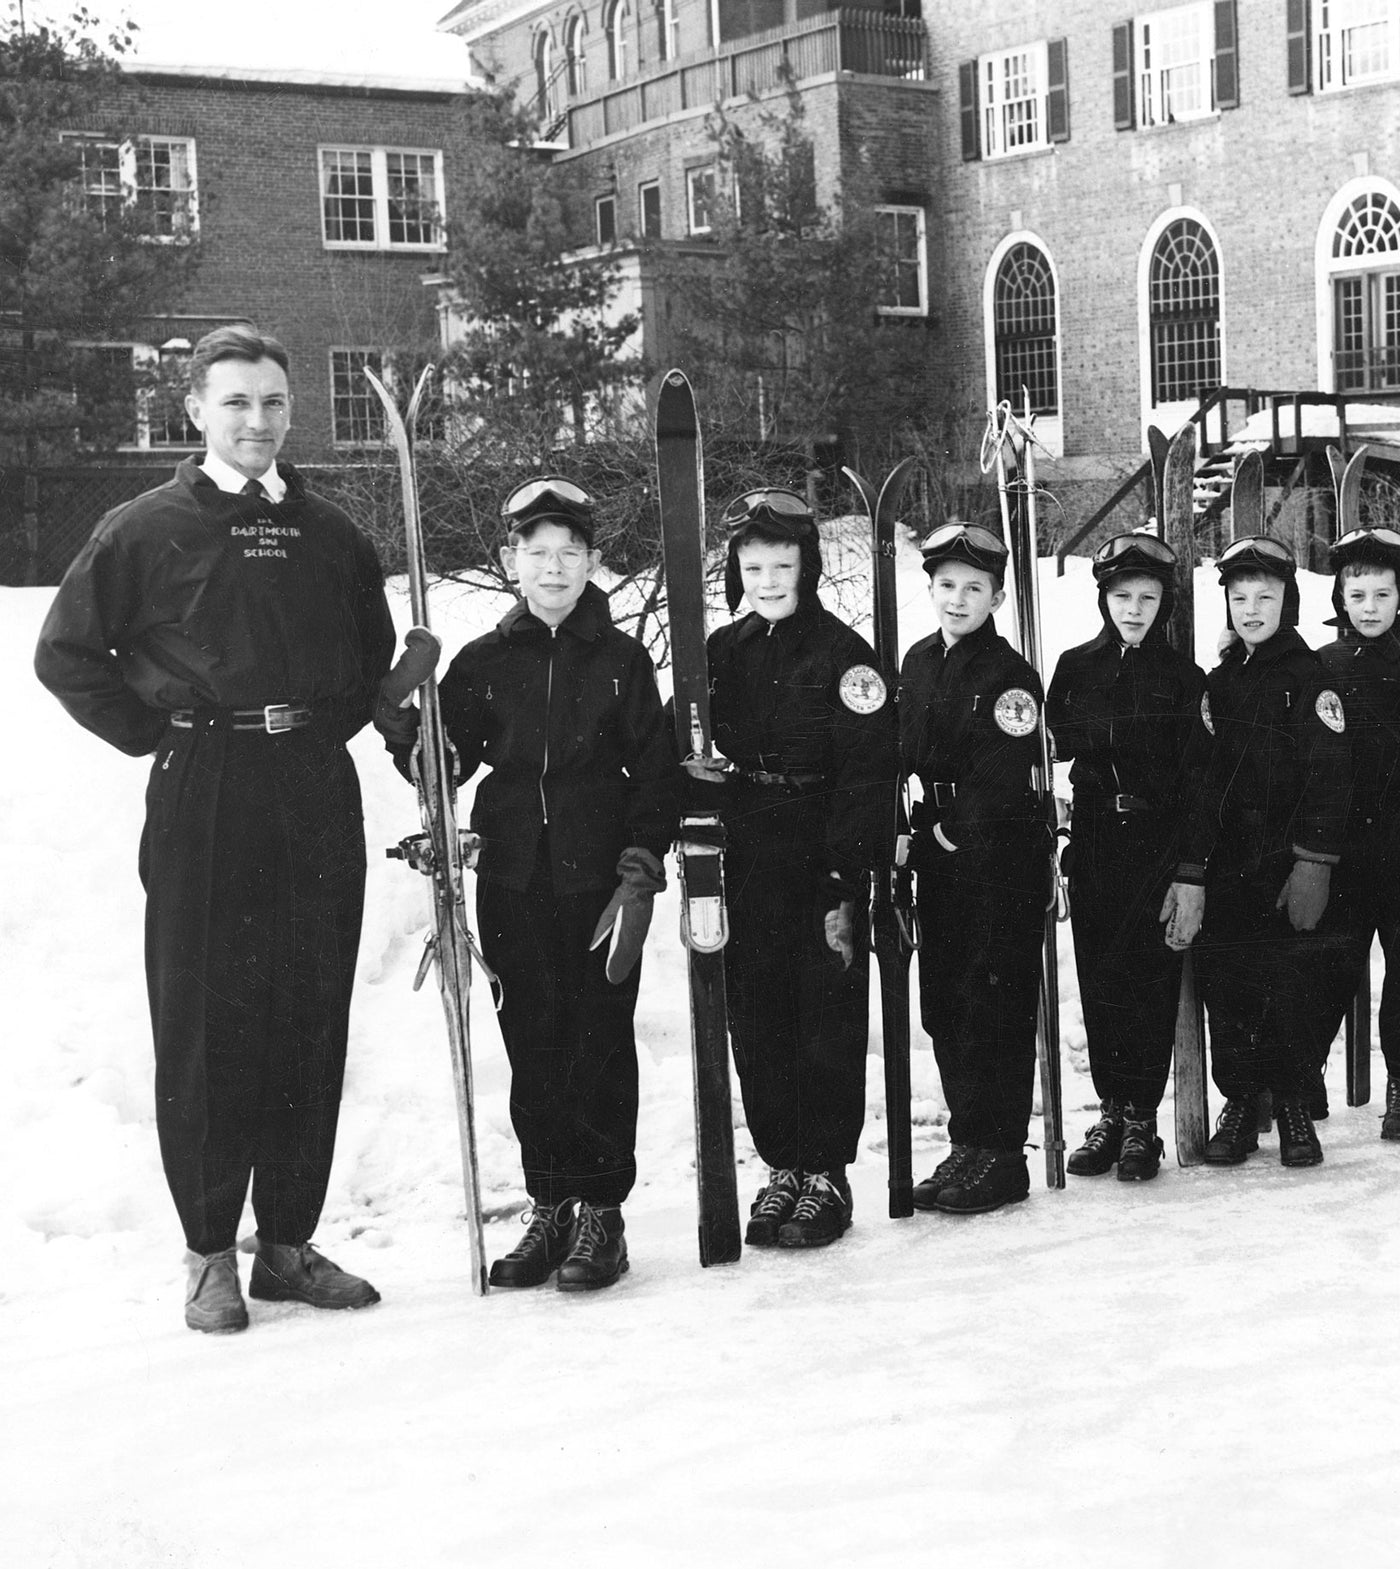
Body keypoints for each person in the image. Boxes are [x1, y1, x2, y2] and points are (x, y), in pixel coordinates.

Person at [35, 324, 397, 1334]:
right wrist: (158, 732)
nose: (257, 421)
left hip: (312, 789)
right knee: (206, 1019)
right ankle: (207, 1254)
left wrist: (354, 716)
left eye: (274, 402)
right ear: (195, 410)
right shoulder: (145, 528)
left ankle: (284, 1243)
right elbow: (67, 654)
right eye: (236, 402)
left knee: (307, 1011)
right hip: (208, 788)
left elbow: (365, 663)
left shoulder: (330, 533)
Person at [389, 477, 676, 1292]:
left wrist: (640, 867)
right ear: (512, 561)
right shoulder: (485, 661)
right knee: (534, 1044)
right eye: (538, 553)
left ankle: (602, 1214)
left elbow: (654, 775)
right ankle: (551, 1204)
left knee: (598, 1039)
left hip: (599, 886)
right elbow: (443, 768)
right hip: (514, 880)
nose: (554, 568)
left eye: (570, 553)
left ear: (592, 562)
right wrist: (406, 729)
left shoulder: (621, 660)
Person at [690, 489, 893, 1248]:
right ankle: (783, 1164)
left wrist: (847, 881)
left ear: (806, 565)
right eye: (754, 565)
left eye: (782, 563)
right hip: (748, 852)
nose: (768, 578)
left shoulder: (846, 656)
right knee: (759, 1013)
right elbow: (699, 749)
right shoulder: (722, 650)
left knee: (824, 1015)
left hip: (820, 853)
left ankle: (826, 1172)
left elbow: (869, 775)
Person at [1168, 535, 1347, 1168]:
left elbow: (1330, 775)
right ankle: (1242, 1103)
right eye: (1239, 598)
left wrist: (1314, 863)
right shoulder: (1220, 683)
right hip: (1231, 863)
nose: (1250, 609)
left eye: (1264, 597)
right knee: (1231, 986)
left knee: (1294, 983)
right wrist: (1194, 867)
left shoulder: (1312, 679)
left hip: (1288, 859)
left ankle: (1294, 1103)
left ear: (1287, 602)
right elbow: (1203, 782)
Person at [898, 523, 1051, 1215]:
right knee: (947, 1003)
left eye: (975, 588)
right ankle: (968, 1138)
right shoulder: (918, 660)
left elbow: (999, 778)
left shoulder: (1010, 676)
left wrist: (937, 829)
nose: (958, 599)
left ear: (996, 595)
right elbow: (900, 752)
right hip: (938, 853)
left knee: (994, 1001)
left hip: (997, 855)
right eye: (947, 585)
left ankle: (1001, 1153)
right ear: (930, 588)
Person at [1046, 532, 1208, 1182]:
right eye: (1122, 596)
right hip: (1093, 843)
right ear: (1103, 598)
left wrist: (1190, 871)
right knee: (1101, 981)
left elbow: (1200, 784)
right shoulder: (1076, 665)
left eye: (1147, 597)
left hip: (1155, 845)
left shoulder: (1182, 678)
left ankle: (1143, 1115)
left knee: (1148, 982)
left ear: (1164, 602)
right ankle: (1111, 1107)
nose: (1134, 608)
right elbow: (1047, 744)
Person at [1300, 528, 1400, 1141]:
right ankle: (1301, 1079)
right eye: (1357, 594)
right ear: (1341, 596)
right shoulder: (1323, 666)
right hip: (1339, 853)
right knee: (1325, 971)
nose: (1369, 607)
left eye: (1381, 594)